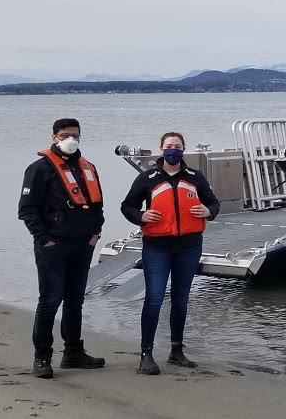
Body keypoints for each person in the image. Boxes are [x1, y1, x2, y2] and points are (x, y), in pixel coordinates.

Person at [120, 132, 220, 375]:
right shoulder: (148, 178)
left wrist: (208, 211)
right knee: (154, 298)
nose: (173, 150)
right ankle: (146, 355)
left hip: (189, 246)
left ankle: (177, 351)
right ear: (161, 149)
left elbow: (214, 203)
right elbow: (127, 206)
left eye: (177, 146)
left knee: (181, 300)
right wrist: (141, 216)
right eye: (168, 146)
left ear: (183, 149)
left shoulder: (196, 177)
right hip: (157, 246)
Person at [18, 118, 105, 379]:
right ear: (54, 136)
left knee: (75, 300)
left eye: (76, 135)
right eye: (66, 135)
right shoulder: (39, 169)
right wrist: (44, 239)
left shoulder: (87, 167)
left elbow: (98, 205)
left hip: (82, 244)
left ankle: (73, 352)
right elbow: (27, 210)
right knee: (50, 300)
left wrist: (96, 232)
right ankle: (42, 357)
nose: (72, 140)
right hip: (53, 246)